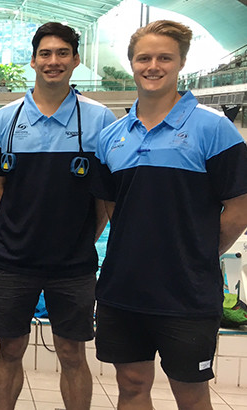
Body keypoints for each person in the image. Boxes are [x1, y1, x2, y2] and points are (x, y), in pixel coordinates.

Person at [91, 20, 247, 410]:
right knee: (130, 384)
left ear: (181, 64)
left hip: (187, 293)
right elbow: (112, 208)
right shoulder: (112, 137)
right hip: (124, 289)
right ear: (132, 64)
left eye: (165, 57)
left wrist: (198, 252)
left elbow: (241, 207)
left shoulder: (214, 129)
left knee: (190, 392)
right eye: (144, 58)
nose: (153, 66)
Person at [0, 22, 116, 410]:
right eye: (45, 54)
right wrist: (14, 235)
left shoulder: (100, 120)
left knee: (72, 353)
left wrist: (83, 237)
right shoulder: (2, 121)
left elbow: (104, 200)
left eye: (62, 53)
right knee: (9, 350)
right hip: (12, 262)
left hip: (73, 265)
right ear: (33, 60)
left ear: (76, 59)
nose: (53, 62)